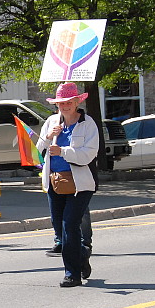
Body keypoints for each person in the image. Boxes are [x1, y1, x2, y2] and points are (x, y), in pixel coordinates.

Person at [36, 82, 100, 288]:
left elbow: (89, 154)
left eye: (68, 102)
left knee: (70, 224)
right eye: (60, 103)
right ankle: (82, 254)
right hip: (55, 182)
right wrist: (47, 137)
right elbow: (38, 150)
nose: (64, 106)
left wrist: (63, 151)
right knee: (59, 226)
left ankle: (72, 274)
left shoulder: (88, 124)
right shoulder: (52, 122)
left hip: (80, 184)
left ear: (76, 102)